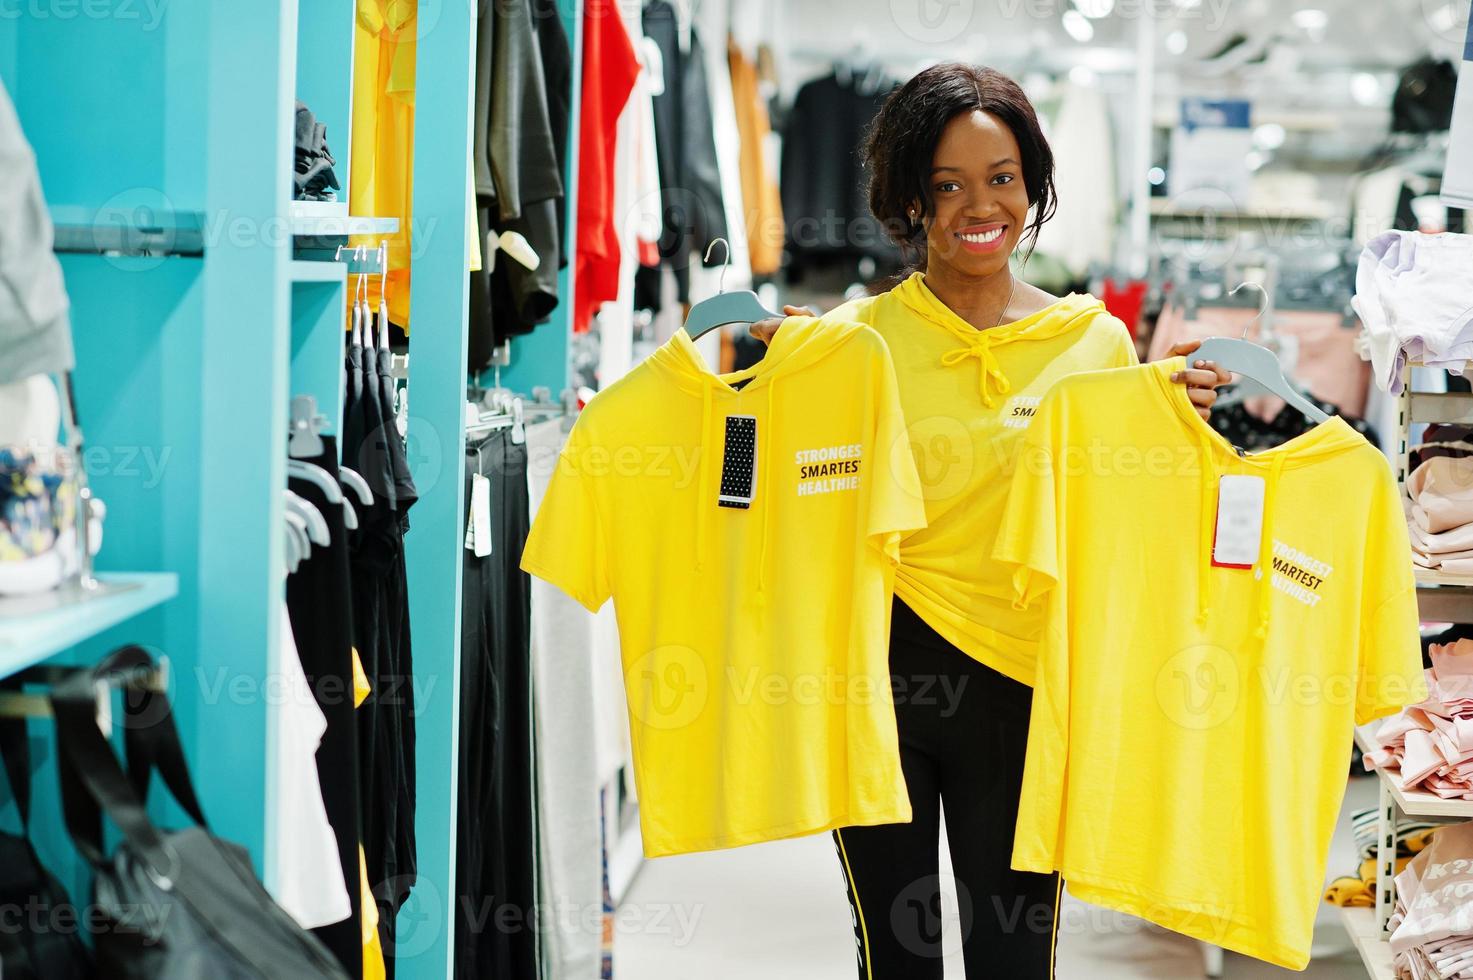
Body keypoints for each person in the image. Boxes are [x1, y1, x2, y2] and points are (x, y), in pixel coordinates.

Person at [752, 63, 1230, 979]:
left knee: (1015, 954)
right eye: (947, 184)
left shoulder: (1095, 344)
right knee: (895, 953)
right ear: (908, 201)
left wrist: (1173, 425)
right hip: (876, 682)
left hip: (1025, 689)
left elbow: (1118, 516)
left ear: (1032, 184)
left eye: (1001, 177)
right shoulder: (852, 341)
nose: (980, 206)